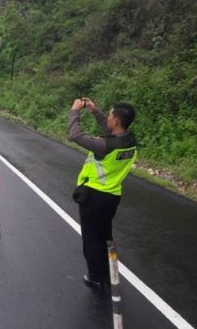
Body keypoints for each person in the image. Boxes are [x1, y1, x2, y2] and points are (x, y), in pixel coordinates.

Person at [68, 97, 138, 289]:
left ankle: (96, 277)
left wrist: (75, 112)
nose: (106, 118)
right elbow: (110, 132)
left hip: (94, 196)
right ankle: (109, 270)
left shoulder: (106, 146)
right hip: (112, 196)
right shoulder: (129, 142)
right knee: (105, 235)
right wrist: (93, 110)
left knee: (91, 239)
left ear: (116, 121)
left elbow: (75, 136)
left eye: (109, 115)